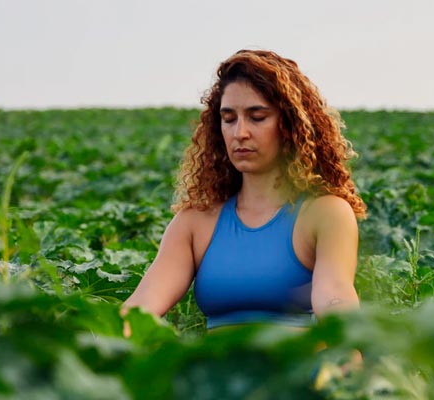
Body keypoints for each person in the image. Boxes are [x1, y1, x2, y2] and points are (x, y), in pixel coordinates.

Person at [120, 49, 366, 335]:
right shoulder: (195, 221)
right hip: (217, 378)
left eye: (257, 117)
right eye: (229, 119)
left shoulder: (325, 213)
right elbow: (141, 306)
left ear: (289, 126)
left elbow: (335, 299)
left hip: (299, 376)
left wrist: (350, 360)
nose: (240, 133)